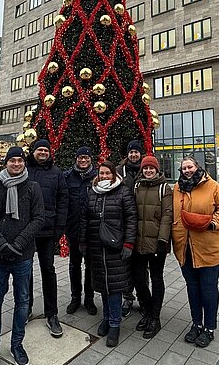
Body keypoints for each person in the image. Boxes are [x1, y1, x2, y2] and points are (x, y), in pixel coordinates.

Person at [0, 147, 45, 365]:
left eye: (19, 160)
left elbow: (38, 219)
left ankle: (17, 344)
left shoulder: (33, 187)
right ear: (5, 163)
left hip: (23, 255)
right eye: (12, 161)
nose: (16, 164)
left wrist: (18, 243)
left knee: (22, 300)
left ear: (24, 163)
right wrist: (1, 244)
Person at [172, 157, 219, 348]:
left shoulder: (212, 185)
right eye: (184, 168)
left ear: (197, 167)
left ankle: (209, 328)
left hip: (208, 247)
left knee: (208, 289)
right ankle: (196, 324)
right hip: (185, 248)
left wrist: (213, 223)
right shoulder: (177, 188)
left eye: (190, 167)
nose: (187, 170)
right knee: (192, 288)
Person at [80, 160, 137, 347]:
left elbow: (131, 218)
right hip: (96, 247)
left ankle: (115, 324)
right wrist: (83, 241)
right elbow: (84, 219)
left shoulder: (123, 192)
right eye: (102, 173)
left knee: (114, 287)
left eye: (107, 173)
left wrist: (129, 243)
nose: (104, 176)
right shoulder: (92, 192)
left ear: (114, 174)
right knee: (103, 286)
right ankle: (106, 318)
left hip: (116, 247)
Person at [25, 139, 68, 338]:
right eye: (39, 150)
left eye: (46, 150)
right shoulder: (24, 168)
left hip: (48, 230)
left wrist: (59, 228)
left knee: (48, 270)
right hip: (25, 230)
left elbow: (63, 200)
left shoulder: (56, 173)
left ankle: (52, 314)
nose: (43, 153)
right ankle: (26, 308)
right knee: (25, 271)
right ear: (33, 151)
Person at [132, 156, 173, 339]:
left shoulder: (165, 188)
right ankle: (148, 311)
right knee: (139, 280)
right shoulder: (136, 186)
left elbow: (167, 214)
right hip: (138, 241)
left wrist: (163, 240)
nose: (148, 171)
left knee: (156, 279)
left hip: (156, 242)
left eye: (151, 168)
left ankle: (155, 318)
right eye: (145, 168)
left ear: (156, 170)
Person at [63, 147, 98, 316]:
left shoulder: (97, 177)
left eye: (86, 157)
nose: (83, 161)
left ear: (91, 159)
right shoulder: (67, 177)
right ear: (76, 159)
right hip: (73, 228)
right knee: (74, 265)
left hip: (91, 230)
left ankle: (89, 299)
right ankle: (75, 297)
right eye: (80, 158)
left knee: (90, 265)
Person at [116, 140, 145, 317]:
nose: (133, 155)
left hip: (143, 225)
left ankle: (143, 298)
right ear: (127, 154)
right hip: (124, 225)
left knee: (142, 267)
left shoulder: (147, 169)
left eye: (136, 152)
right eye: (131, 152)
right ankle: (127, 298)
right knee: (125, 265)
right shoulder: (120, 172)